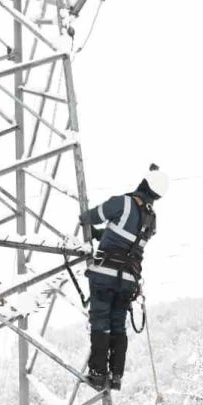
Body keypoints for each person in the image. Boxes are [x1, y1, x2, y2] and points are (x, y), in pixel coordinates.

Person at [79, 165, 169, 391]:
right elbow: (126, 239)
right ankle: (116, 375)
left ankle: (98, 373)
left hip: (105, 275)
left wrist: (90, 226)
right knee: (118, 324)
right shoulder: (151, 219)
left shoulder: (123, 203)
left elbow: (89, 217)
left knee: (101, 321)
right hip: (128, 279)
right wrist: (103, 235)